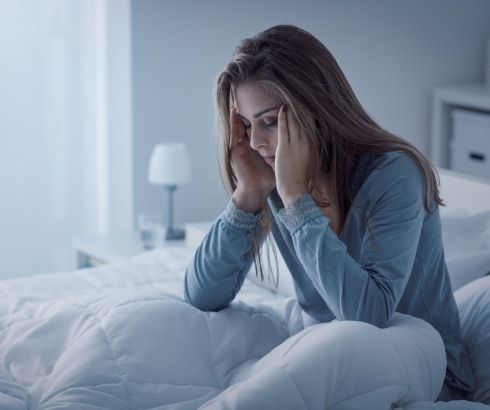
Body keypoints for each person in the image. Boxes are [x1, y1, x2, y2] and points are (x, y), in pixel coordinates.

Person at [184, 24, 474, 402]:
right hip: (330, 359)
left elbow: (369, 317)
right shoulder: (271, 176)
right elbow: (202, 295)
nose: (256, 142)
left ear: (317, 108)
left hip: (428, 371)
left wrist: (297, 201)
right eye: (247, 125)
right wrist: (248, 192)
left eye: (270, 122)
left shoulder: (395, 174)